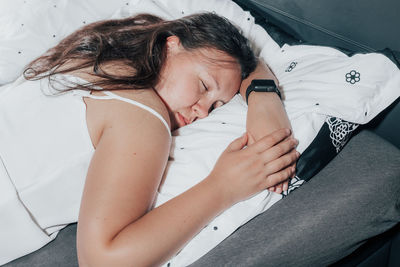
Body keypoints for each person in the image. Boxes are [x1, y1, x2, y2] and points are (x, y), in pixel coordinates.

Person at [0, 13, 298, 265]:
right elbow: (103, 260)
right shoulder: (143, 116)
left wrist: (263, 95)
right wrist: (222, 187)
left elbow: (247, 57)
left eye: (217, 106)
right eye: (204, 86)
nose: (202, 112)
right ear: (171, 46)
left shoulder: (94, 54)